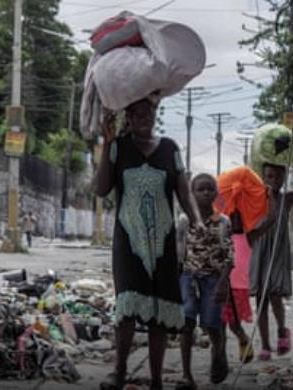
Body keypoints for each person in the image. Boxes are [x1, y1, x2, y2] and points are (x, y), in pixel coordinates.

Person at [95, 97, 203, 390]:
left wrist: (197, 220)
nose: (146, 116)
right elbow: (101, 188)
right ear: (127, 116)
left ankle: (156, 380)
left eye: (151, 111)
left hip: (164, 241)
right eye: (139, 112)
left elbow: (183, 189)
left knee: (159, 309)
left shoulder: (170, 148)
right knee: (128, 304)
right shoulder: (118, 147)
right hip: (128, 242)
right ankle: (119, 372)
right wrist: (107, 143)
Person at [248, 139, 293, 361]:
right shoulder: (255, 200)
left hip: (278, 255)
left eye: (278, 176)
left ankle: (282, 330)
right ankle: (265, 345)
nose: (274, 180)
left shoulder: (286, 200)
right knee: (261, 301)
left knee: (275, 297)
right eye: (269, 176)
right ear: (263, 178)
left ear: (284, 178)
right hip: (260, 254)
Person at [176, 173, 232, 390]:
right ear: (192, 193)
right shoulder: (184, 220)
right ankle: (186, 375)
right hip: (188, 278)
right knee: (186, 325)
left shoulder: (222, 221)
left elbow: (229, 256)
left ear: (216, 194)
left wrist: (223, 283)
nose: (206, 192)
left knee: (213, 326)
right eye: (201, 189)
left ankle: (219, 354)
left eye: (210, 189)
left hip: (213, 280)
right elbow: (178, 254)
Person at [221, 210, 254, 364]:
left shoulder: (248, 237)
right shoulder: (221, 236)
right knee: (219, 324)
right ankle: (220, 358)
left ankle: (243, 339)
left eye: (238, 218)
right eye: (231, 218)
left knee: (234, 324)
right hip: (222, 285)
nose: (235, 222)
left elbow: (269, 222)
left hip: (239, 287)